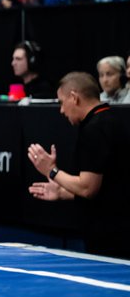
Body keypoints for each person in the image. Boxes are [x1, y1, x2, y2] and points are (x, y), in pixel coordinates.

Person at [28, 72, 130, 259]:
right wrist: (62, 192)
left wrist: (51, 171)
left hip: (111, 236)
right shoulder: (111, 121)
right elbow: (108, 185)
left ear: (74, 98)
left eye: (61, 102)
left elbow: (88, 187)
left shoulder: (95, 129)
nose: (61, 110)